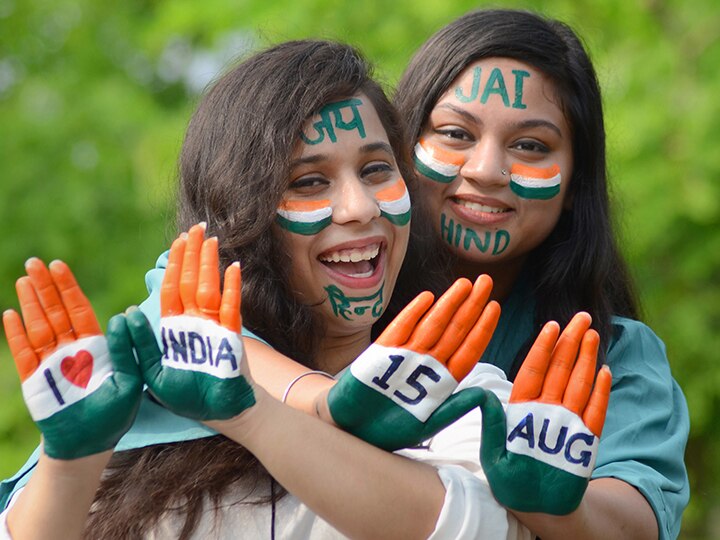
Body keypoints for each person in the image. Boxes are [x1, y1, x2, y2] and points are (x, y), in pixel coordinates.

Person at [0, 39, 609, 539]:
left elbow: (464, 527)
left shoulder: (469, 399)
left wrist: (252, 414)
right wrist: (71, 458)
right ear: (241, 216)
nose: (360, 207)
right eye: (309, 181)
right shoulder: (151, 389)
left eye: (376, 169)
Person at [389, 8, 690, 540]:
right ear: (399, 148)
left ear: (576, 182)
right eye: (456, 133)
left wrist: (556, 507)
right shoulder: (332, 300)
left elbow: (635, 523)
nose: (485, 170)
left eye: (530, 145)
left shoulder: (617, 357)